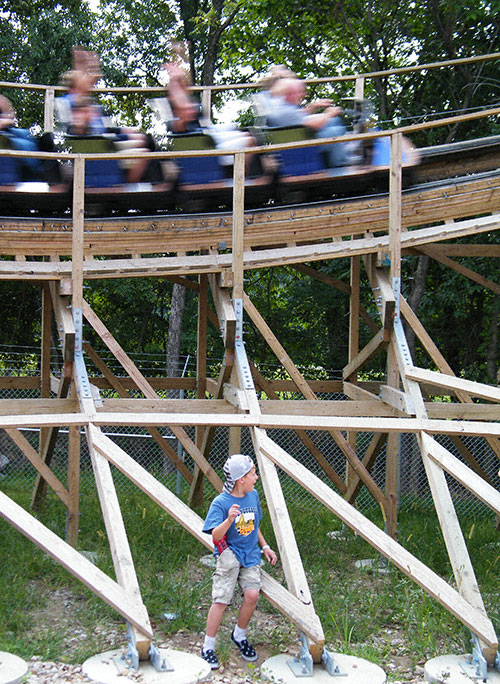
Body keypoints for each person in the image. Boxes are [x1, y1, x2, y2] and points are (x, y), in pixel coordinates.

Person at [201, 454, 277, 670]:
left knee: (252, 594)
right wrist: (229, 520)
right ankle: (208, 646)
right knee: (222, 600)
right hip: (230, 557)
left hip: (251, 555)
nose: (256, 477)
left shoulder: (252, 496)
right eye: (253, 474)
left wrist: (265, 546)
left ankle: (239, 635)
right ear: (240, 479)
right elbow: (215, 536)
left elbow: (254, 525)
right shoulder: (221, 502)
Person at [266, 77, 350, 168]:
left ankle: (340, 156)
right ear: (289, 94)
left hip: (295, 142)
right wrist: (329, 114)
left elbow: (299, 117)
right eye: (298, 92)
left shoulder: (281, 105)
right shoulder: (286, 111)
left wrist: (314, 106)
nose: (302, 95)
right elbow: (312, 125)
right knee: (335, 131)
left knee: (333, 122)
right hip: (303, 147)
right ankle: (340, 164)